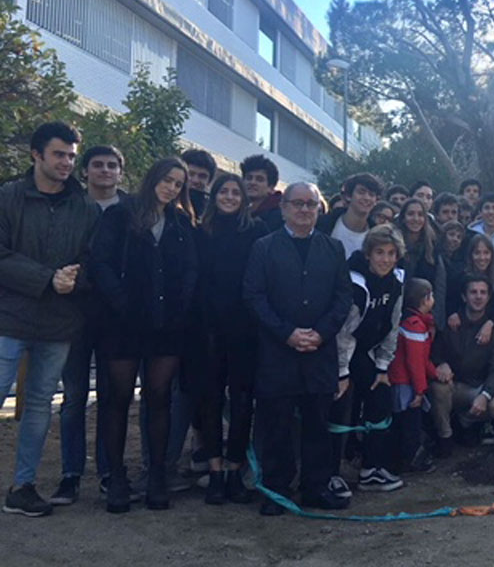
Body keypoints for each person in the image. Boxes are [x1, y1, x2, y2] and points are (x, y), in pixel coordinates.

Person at [90, 158, 198, 513]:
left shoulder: (181, 222)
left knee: (159, 398)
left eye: (178, 184)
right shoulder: (120, 215)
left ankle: (156, 476)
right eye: (167, 180)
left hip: (166, 327)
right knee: (118, 400)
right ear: (153, 178)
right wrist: (122, 302)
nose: (171, 188)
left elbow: (190, 270)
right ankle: (116, 478)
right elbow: (100, 263)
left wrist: (179, 310)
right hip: (122, 324)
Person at [0, 122, 97, 517]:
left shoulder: (86, 208)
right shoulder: (7, 197)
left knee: (40, 406)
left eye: (72, 156)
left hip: (59, 324)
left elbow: (95, 261)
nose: (67, 162)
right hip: (8, 320)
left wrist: (77, 278)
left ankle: (23, 487)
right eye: (59, 154)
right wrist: (47, 279)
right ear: (36, 154)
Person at [243, 182, 354, 516]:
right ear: (284, 208)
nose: (305, 210)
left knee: (318, 424)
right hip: (278, 352)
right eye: (298, 203)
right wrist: (287, 333)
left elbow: (343, 297)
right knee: (276, 426)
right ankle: (276, 491)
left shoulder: (333, 248)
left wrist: (321, 333)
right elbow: (254, 296)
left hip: (320, 352)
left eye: (311, 204)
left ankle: (315, 487)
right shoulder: (264, 247)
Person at [52, 144, 126, 506]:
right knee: (74, 397)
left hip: (117, 319)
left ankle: (109, 472)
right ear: (85, 171)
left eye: (112, 165)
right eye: (98, 164)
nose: (105, 170)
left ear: (121, 172)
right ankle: (71, 475)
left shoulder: (132, 210)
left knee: (112, 398)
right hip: (74, 314)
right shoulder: (69, 206)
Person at [193, 174, 268, 505]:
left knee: (242, 402)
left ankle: (235, 469)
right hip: (207, 328)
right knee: (209, 400)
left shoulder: (257, 231)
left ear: (243, 199)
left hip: (245, 328)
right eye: (223, 191)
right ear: (214, 196)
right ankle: (214, 471)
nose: (229, 197)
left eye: (235, 192)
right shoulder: (201, 231)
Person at [335, 224, 406, 493]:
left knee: (380, 396)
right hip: (340, 351)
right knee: (340, 403)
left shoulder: (396, 283)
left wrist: (382, 366)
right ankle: (330, 471)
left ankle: (372, 469)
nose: (385, 259)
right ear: (368, 254)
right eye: (379, 252)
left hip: (367, 351)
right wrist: (342, 372)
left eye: (391, 253)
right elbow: (343, 333)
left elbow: (392, 325)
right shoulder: (355, 283)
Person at [429, 275, 494, 457]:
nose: (478, 297)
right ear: (464, 297)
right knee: (437, 388)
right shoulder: (450, 322)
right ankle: (445, 436)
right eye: (473, 292)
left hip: (476, 386)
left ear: (488, 297)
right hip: (452, 384)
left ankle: (464, 423)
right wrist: (441, 363)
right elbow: (434, 352)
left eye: (483, 293)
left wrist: (485, 395)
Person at [387, 278, 437, 473]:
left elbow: (422, 359)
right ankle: (411, 458)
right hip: (405, 383)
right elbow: (415, 362)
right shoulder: (414, 326)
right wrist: (420, 390)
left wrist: (435, 374)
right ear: (424, 299)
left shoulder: (414, 323)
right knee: (409, 422)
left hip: (407, 382)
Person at [397, 198, 447, 325]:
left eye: (420, 214)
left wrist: (435, 319)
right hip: (396, 312)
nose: (416, 218)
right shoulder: (393, 245)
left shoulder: (433, 247)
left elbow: (439, 285)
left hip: (424, 315)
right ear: (403, 217)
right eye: (411, 214)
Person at [317, 173, 382, 256]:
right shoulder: (323, 223)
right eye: (361, 192)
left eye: (371, 194)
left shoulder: (377, 236)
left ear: (376, 201)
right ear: (349, 196)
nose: (367, 198)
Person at [241, 155, 283, 232]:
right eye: (249, 178)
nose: (252, 182)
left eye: (259, 179)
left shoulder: (280, 216)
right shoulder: (238, 212)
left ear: (271, 188)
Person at [181, 148, 217, 218]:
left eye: (202, 176)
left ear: (209, 181)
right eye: (190, 174)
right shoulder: (165, 201)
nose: (195, 180)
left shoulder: (209, 214)